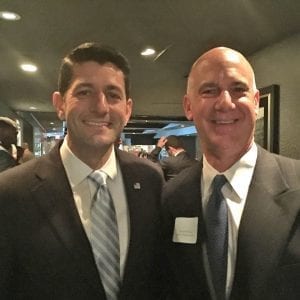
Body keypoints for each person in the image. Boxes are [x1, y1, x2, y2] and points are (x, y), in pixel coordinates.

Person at [0, 42, 166, 299]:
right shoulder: (11, 193)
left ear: (128, 108)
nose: (100, 107)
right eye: (85, 92)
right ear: (60, 104)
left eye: (113, 95)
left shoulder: (149, 180)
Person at [162, 47, 300, 299]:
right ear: (188, 106)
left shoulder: (297, 184)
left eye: (238, 90)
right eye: (209, 90)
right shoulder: (171, 197)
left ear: (256, 102)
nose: (225, 102)